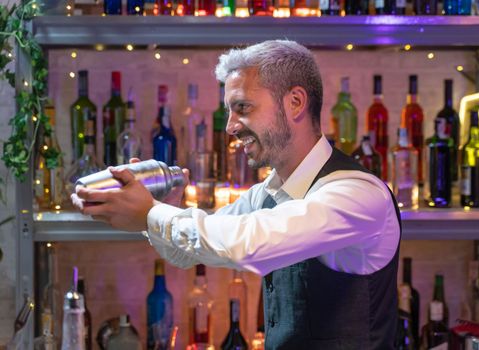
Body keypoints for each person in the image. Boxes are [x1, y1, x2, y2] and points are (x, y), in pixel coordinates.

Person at [72, 40, 401, 349]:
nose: (230, 126)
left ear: (295, 103)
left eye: (242, 107)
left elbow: (250, 244)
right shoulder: (267, 193)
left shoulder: (358, 194)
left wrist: (150, 213)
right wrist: (157, 208)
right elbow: (187, 253)